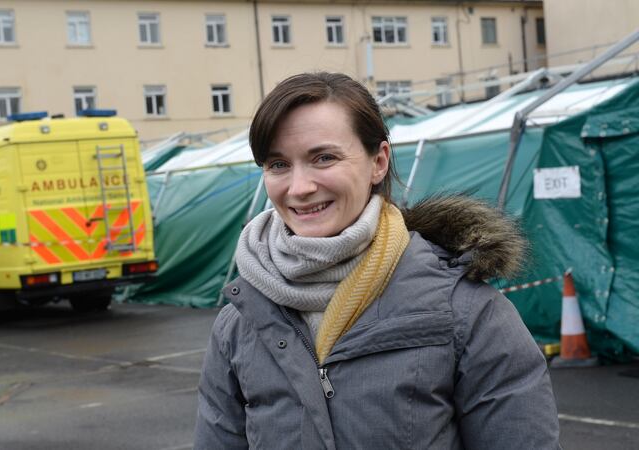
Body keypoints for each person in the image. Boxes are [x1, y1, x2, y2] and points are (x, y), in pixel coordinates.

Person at [194, 72, 560, 449]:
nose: (299, 188)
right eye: (278, 164)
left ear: (378, 162)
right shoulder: (238, 322)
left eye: (323, 158)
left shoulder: (464, 310)